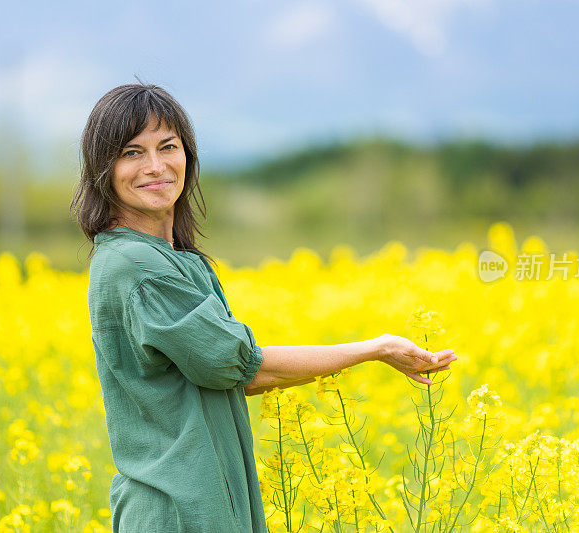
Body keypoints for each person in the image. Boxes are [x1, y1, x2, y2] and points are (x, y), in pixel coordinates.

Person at [70, 82, 458, 533]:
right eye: (132, 152)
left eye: (168, 146)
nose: (155, 166)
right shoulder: (139, 266)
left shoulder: (157, 256)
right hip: (179, 511)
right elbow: (245, 369)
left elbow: (226, 373)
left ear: (188, 155)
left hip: (197, 504)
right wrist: (374, 348)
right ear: (104, 168)